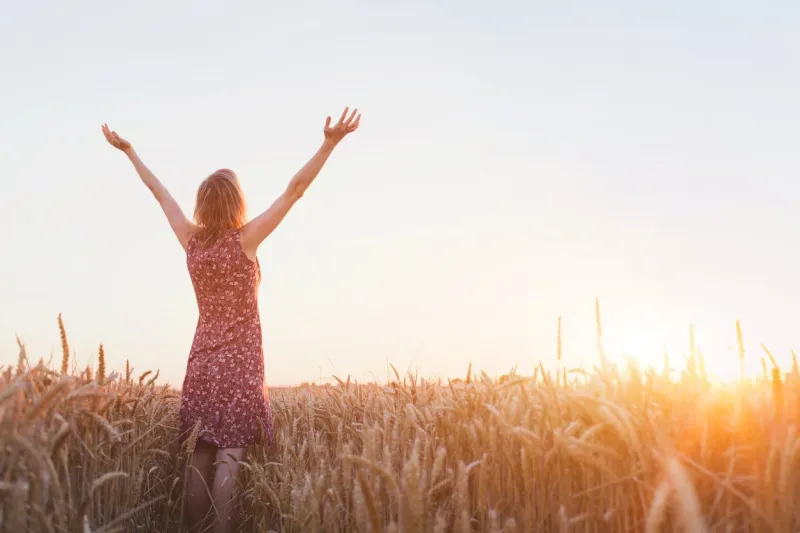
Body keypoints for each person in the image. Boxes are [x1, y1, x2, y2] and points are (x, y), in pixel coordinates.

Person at [101, 107, 361, 533]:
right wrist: (328, 145)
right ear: (237, 203)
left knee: (200, 455)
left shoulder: (191, 242)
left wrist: (130, 152)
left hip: (202, 361)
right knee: (230, 456)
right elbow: (294, 191)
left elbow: (157, 191)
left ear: (202, 205)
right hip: (240, 364)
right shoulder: (247, 240)